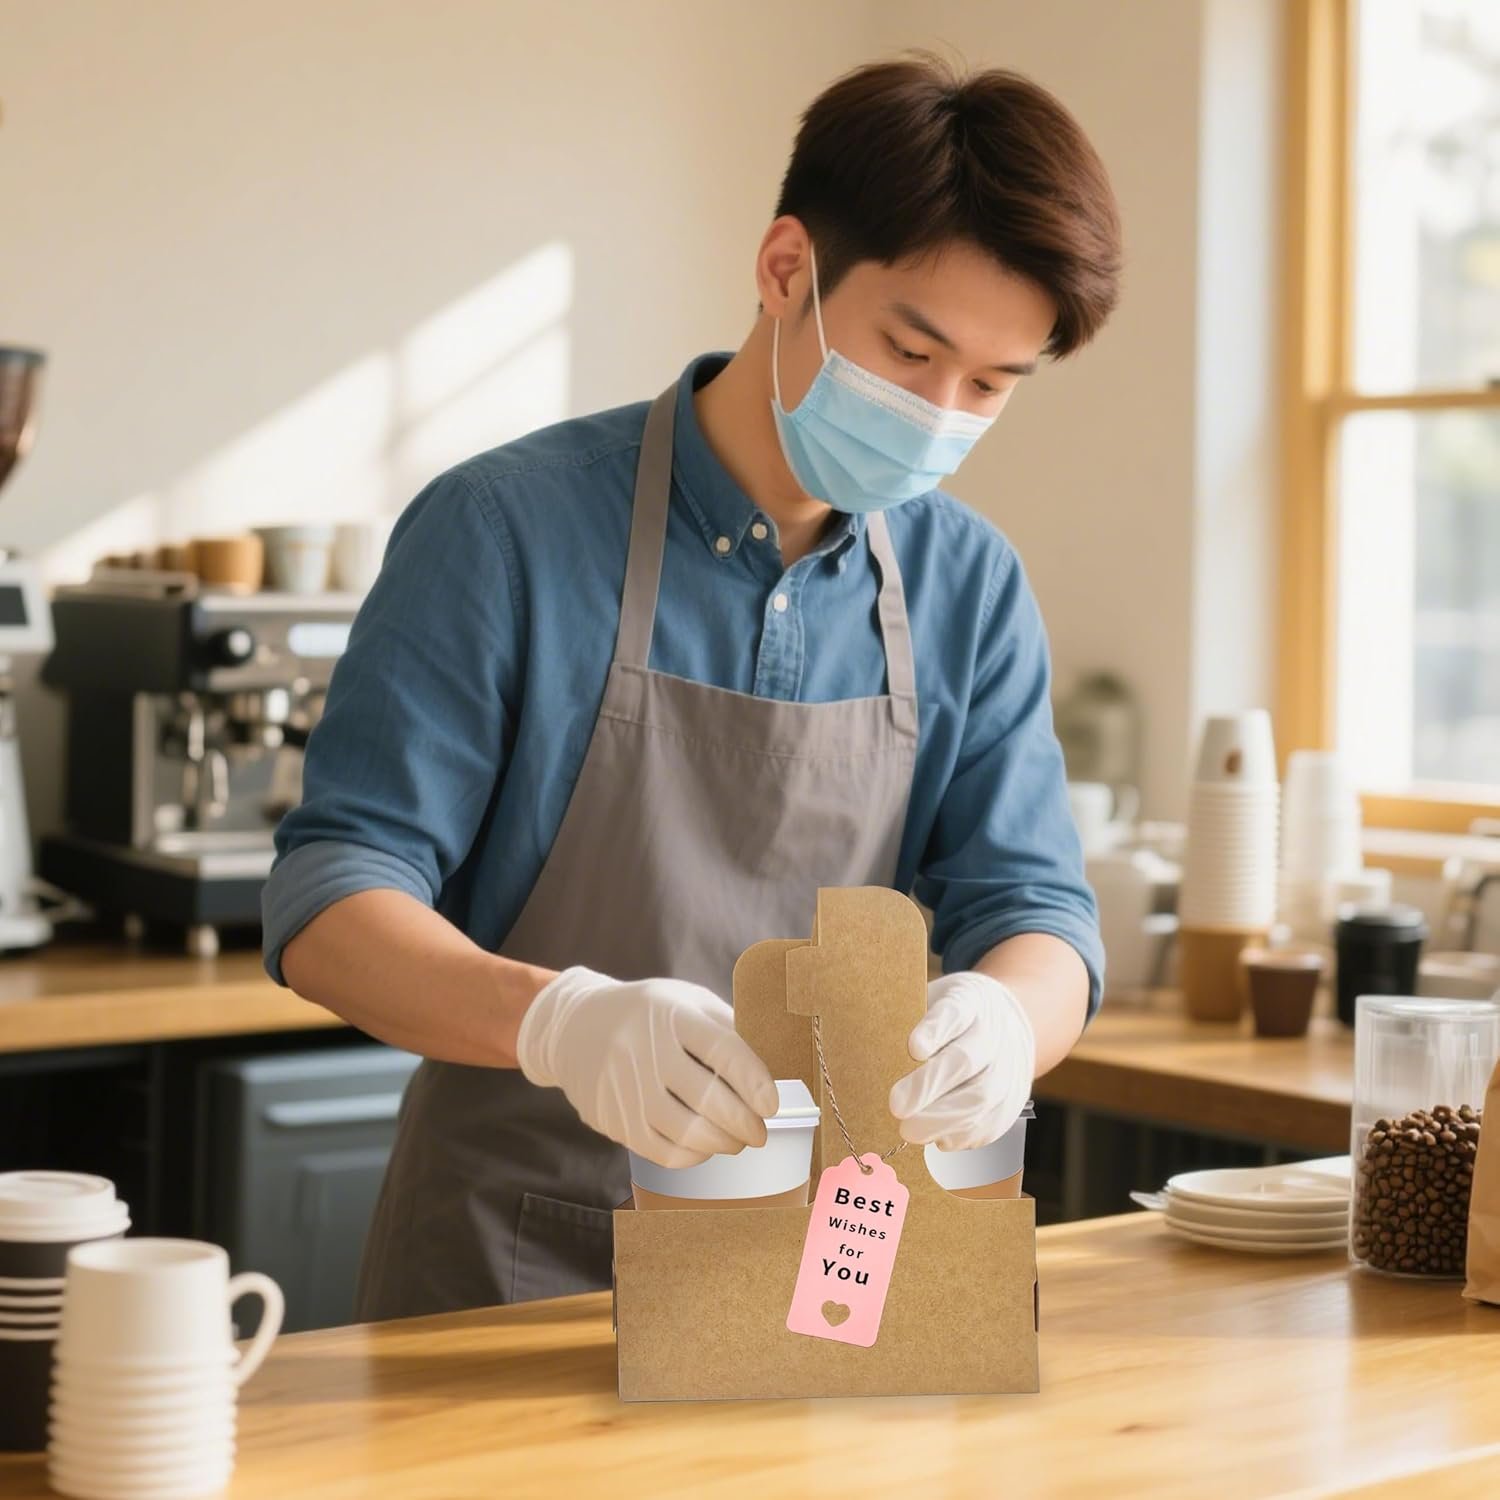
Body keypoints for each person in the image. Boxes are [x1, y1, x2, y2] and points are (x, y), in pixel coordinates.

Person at [262, 53, 1121, 1321]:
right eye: (910, 350)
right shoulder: (504, 531)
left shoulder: (969, 585)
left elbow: (1037, 909)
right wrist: (561, 1022)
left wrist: (1006, 1016)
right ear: (786, 269)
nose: (939, 413)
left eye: (990, 385)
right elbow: (331, 900)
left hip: (826, 1281)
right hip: (515, 1271)